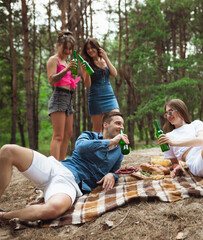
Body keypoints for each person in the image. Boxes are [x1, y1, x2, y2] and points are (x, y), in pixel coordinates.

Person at [0, 112, 129, 221]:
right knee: (8, 151)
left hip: (70, 184)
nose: (121, 127)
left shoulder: (119, 151)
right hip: (55, 167)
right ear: (105, 125)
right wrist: (111, 142)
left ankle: (4, 215)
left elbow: (115, 170)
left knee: (52, 209)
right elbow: (80, 147)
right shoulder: (89, 136)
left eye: (122, 124)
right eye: (118, 123)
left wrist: (111, 174)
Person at [47, 30, 81, 161]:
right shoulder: (53, 60)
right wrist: (66, 70)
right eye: (65, 48)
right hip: (59, 97)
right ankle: (54, 165)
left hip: (69, 98)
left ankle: (61, 163)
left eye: (70, 49)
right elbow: (51, 80)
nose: (67, 51)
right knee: (58, 136)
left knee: (68, 134)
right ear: (58, 45)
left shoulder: (67, 62)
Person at [81, 38, 120, 133]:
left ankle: (118, 147)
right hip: (96, 98)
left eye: (92, 48)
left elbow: (114, 74)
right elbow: (87, 84)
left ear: (97, 48)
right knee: (98, 130)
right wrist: (87, 72)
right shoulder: (86, 64)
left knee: (117, 122)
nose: (90, 50)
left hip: (109, 96)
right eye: (88, 49)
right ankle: (101, 147)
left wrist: (106, 57)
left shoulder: (104, 60)